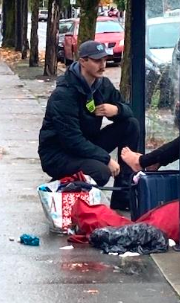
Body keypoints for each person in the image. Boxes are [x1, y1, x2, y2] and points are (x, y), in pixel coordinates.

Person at [38, 40, 140, 210]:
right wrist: (106, 159)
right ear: (83, 61)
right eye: (97, 60)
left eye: (104, 60)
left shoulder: (102, 85)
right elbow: (72, 140)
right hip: (58, 154)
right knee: (101, 172)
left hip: (86, 145)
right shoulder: (64, 94)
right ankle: (61, 185)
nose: (103, 65)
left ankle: (123, 196)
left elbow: (129, 111)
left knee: (131, 125)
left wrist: (116, 110)